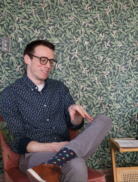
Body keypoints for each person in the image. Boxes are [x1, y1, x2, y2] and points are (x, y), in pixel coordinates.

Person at [1, 40, 112, 182]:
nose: (48, 66)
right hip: (35, 155)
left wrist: (76, 116)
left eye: (51, 61)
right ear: (27, 59)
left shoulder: (59, 88)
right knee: (77, 163)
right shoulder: (9, 94)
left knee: (104, 120)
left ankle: (56, 162)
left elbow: (74, 125)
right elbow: (17, 141)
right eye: (43, 60)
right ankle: (60, 158)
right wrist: (53, 147)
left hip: (67, 147)